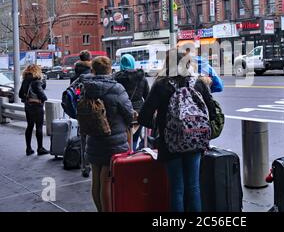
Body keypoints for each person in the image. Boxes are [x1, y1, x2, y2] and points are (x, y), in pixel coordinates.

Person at [138, 52, 216, 212]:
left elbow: (144, 118)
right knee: (193, 186)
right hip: (195, 139)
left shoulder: (161, 85)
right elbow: (212, 113)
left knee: (177, 188)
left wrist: (160, 123)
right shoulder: (199, 83)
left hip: (170, 142)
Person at [78, 56, 135, 212]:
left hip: (93, 139)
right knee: (107, 181)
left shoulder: (87, 88)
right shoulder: (117, 88)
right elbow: (129, 113)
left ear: (93, 70)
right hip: (114, 142)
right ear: (110, 70)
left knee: (96, 180)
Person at [114, 54, 149, 150]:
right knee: (135, 138)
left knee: (123, 139)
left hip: (121, 113)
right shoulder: (142, 78)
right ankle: (133, 153)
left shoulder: (116, 79)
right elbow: (147, 97)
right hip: (138, 114)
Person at [70, 50, 92, 178]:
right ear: (89, 59)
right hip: (93, 109)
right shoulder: (90, 72)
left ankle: (85, 167)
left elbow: (73, 90)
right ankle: (93, 164)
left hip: (80, 108)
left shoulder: (75, 73)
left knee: (84, 138)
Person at [18, 64, 49, 156]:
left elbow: (20, 95)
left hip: (28, 106)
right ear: (37, 71)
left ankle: (28, 148)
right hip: (37, 107)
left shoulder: (25, 80)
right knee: (39, 127)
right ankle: (40, 148)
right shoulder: (36, 81)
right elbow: (43, 97)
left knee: (30, 126)